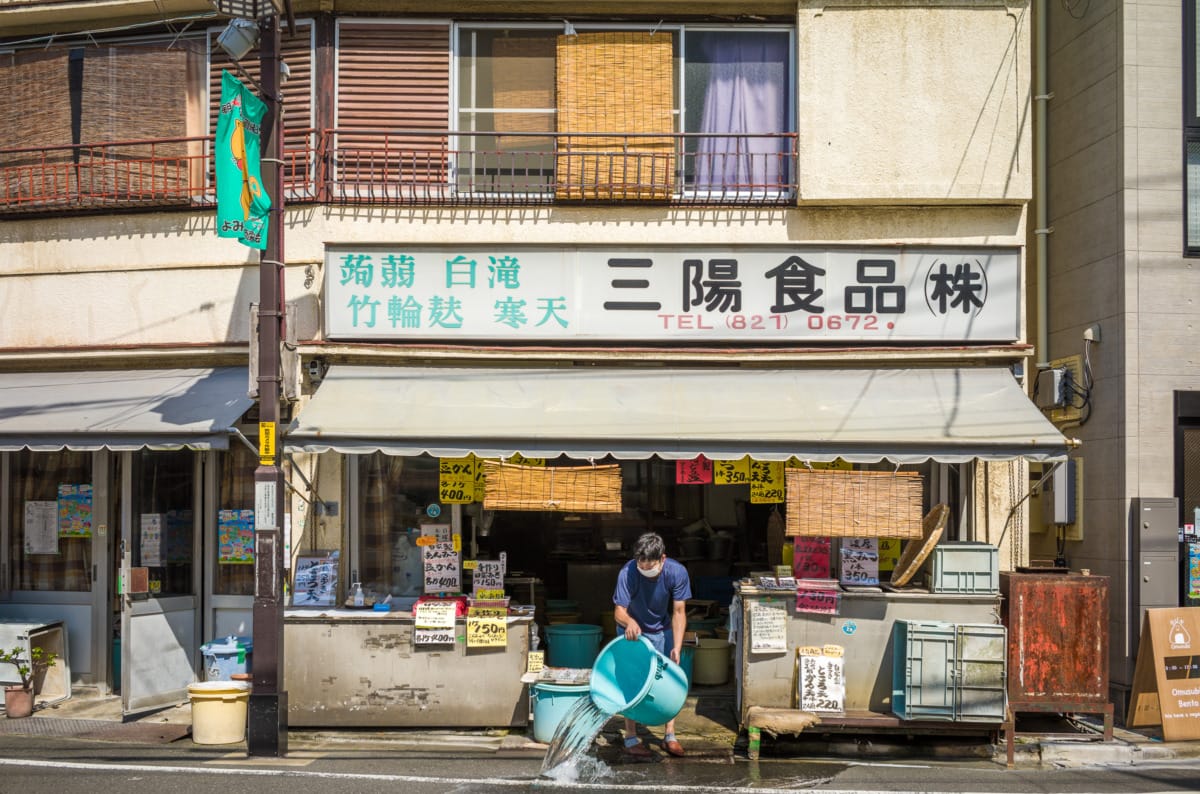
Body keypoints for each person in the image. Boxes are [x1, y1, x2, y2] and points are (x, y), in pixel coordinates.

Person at [612, 531, 692, 758]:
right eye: (641, 563)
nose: (645, 568)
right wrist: (629, 622)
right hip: (631, 632)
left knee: (670, 679)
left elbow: (678, 611)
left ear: (663, 559)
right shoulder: (628, 572)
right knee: (631, 680)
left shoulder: (677, 572)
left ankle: (670, 734)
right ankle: (630, 736)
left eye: (650, 564)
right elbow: (619, 611)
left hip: (662, 630)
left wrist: (676, 645)